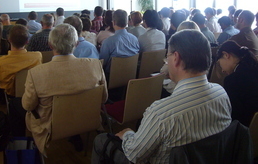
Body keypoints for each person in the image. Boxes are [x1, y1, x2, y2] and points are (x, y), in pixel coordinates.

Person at [92, 30, 232, 164]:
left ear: (176, 58)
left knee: (101, 140)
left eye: (167, 57)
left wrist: (128, 134)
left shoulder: (161, 112)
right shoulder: (222, 94)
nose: (167, 61)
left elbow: (134, 156)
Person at [22, 24, 107, 154]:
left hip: (52, 127)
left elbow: (28, 106)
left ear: (50, 45)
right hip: (86, 119)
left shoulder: (36, 73)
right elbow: (104, 98)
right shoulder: (95, 65)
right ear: (77, 44)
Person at [0, 24, 42, 96]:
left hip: (10, 95)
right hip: (32, 92)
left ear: (9, 40)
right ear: (27, 41)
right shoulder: (38, 56)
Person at [217, 40, 258, 126]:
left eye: (220, 64)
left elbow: (233, 116)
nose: (222, 70)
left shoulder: (233, 80)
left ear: (226, 55)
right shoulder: (254, 66)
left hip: (245, 130)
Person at [99, 9, 139, 74]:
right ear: (126, 23)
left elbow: (102, 63)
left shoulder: (108, 42)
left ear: (113, 22)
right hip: (131, 77)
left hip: (111, 79)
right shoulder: (135, 39)